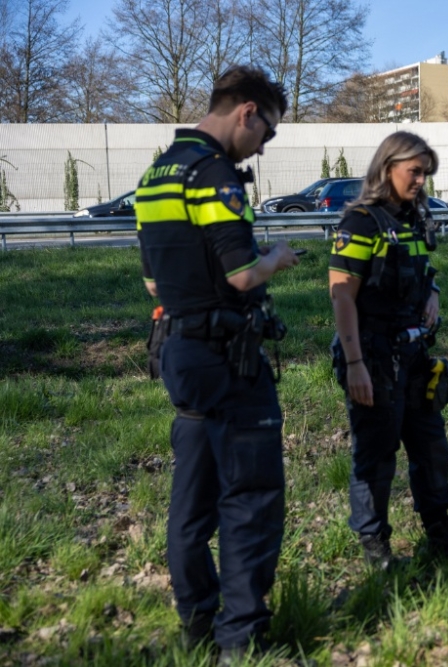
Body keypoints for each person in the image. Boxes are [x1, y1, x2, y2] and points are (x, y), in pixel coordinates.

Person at [135, 65, 299, 662]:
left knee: (192, 498)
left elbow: (153, 280)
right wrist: (277, 257)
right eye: (269, 132)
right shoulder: (213, 174)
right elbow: (239, 272)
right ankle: (243, 639)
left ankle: (196, 622)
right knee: (250, 496)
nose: (264, 144)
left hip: (179, 352)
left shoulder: (156, 174)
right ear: (246, 112)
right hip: (227, 356)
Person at [328, 131, 448, 568]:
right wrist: (355, 364)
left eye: (426, 172)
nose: (422, 180)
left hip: (416, 357)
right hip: (373, 356)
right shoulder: (360, 223)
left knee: (431, 450)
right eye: (415, 171)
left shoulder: (415, 220)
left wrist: (435, 291)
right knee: (377, 453)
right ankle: (376, 549)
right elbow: (342, 297)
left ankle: (441, 536)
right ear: (388, 168)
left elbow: (423, 271)